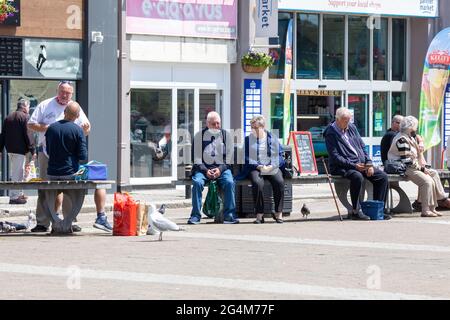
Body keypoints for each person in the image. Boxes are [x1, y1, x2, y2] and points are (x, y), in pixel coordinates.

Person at [27, 81, 111, 232]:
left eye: (68, 93)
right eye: (62, 92)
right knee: (45, 189)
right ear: (57, 91)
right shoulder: (46, 105)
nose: (65, 95)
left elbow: (86, 128)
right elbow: (31, 124)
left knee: (68, 189)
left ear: (72, 94)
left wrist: (84, 130)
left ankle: (69, 220)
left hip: (68, 158)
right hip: (47, 154)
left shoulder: (75, 106)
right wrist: (51, 128)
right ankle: (42, 222)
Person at [324, 107, 390, 220]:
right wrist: (354, 166)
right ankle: (355, 210)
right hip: (342, 166)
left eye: (349, 120)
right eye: (345, 121)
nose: (348, 123)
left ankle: (378, 210)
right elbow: (335, 157)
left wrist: (369, 163)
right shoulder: (330, 133)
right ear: (337, 119)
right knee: (357, 176)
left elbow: (362, 146)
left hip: (360, 163)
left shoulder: (351, 127)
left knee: (382, 177)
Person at [388, 116, 450, 217]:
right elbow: (406, 161)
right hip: (403, 167)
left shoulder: (409, 136)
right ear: (410, 127)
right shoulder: (401, 139)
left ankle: (433, 207)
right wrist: (422, 169)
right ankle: (425, 209)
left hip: (411, 166)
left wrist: (423, 167)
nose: (416, 128)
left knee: (433, 174)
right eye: (415, 126)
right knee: (427, 181)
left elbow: (414, 151)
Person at [187, 111, 238, 225]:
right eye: (214, 124)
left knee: (230, 182)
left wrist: (220, 169)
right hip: (202, 170)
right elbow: (196, 158)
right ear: (207, 124)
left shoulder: (226, 135)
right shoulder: (199, 136)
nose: (217, 126)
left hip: (222, 169)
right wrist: (206, 170)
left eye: (218, 123)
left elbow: (229, 158)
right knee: (197, 182)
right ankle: (195, 216)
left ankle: (229, 215)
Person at [236, 115, 285, 224]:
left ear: (262, 127)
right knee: (257, 183)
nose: (253, 130)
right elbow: (246, 158)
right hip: (256, 167)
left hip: (271, 167)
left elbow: (280, 156)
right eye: (251, 128)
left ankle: (279, 212)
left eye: (255, 128)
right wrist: (258, 166)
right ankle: (259, 214)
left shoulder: (272, 138)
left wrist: (272, 166)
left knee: (279, 182)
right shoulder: (248, 139)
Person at [0, 99, 35, 204]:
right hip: (20, 150)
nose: (28, 109)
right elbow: (28, 134)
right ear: (24, 106)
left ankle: (19, 193)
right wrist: (33, 150)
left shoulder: (8, 117)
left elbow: (3, 134)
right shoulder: (25, 117)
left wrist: (0, 149)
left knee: (18, 172)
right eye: (28, 107)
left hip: (10, 149)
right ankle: (14, 197)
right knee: (18, 173)